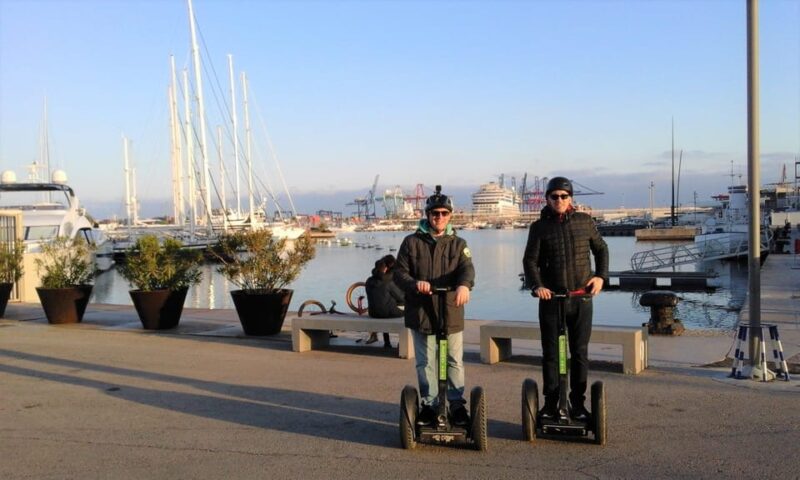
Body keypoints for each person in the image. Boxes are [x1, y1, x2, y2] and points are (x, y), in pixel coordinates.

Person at [522, 176, 608, 422]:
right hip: (551, 300)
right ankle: (551, 402)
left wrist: (600, 277)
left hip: (580, 299)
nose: (559, 200)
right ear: (547, 198)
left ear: (570, 198)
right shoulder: (538, 227)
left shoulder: (584, 221)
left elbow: (601, 249)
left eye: (563, 196)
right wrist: (537, 285)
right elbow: (530, 261)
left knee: (579, 352)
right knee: (551, 353)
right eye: (554, 196)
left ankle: (578, 403)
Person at [394, 185, 475, 427]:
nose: (439, 217)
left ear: (450, 215)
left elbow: (467, 269)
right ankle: (429, 405)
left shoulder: (459, 243)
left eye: (443, 213)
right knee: (426, 361)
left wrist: (464, 285)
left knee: (453, 360)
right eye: (434, 213)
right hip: (422, 311)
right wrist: (414, 284)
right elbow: (399, 273)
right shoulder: (411, 242)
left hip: (451, 309)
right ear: (427, 215)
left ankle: (457, 404)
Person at [364, 256, 404, 348]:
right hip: (387, 313)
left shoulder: (369, 280)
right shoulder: (388, 282)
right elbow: (401, 298)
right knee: (407, 314)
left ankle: (387, 342)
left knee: (385, 307)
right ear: (385, 268)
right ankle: (401, 342)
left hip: (373, 313)